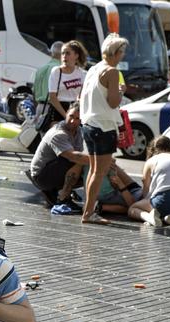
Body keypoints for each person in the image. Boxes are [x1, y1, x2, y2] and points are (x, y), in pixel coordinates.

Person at [80, 34, 129, 224]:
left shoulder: (94, 69)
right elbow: (113, 102)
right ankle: (89, 213)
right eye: (122, 52)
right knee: (99, 173)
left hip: (90, 124)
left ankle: (88, 210)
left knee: (93, 171)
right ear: (116, 52)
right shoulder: (112, 72)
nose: (122, 56)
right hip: (104, 127)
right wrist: (120, 90)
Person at [28, 102, 88, 209]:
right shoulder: (58, 133)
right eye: (71, 116)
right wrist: (100, 161)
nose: (73, 121)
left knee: (85, 163)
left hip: (55, 169)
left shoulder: (79, 131)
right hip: (41, 176)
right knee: (75, 160)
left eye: (78, 118)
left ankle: (61, 192)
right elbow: (73, 156)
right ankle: (62, 196)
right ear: (66, 114)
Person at [128, 136, 170, 227]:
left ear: (152, 150)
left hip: (164, 200)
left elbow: (146, 192)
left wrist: (145, 202)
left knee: (133, 208)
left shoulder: (152, 160)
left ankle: (149, 217)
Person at [48, 40, 88, 123]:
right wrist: (66, 115)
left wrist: (76, 114)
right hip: (58, 110)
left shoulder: (82, 73)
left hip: (75, 109)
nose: (64, 56)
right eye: (63, 53)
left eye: (68, 53)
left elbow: (82, 96)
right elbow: (52, 97)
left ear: (76, 55)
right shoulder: (56, 71)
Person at [33, 41, 63, 106]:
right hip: (54, 109)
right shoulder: (62, 69)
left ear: (51, 53)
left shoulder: (40, 69)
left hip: (40, 107)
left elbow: (34, 91)